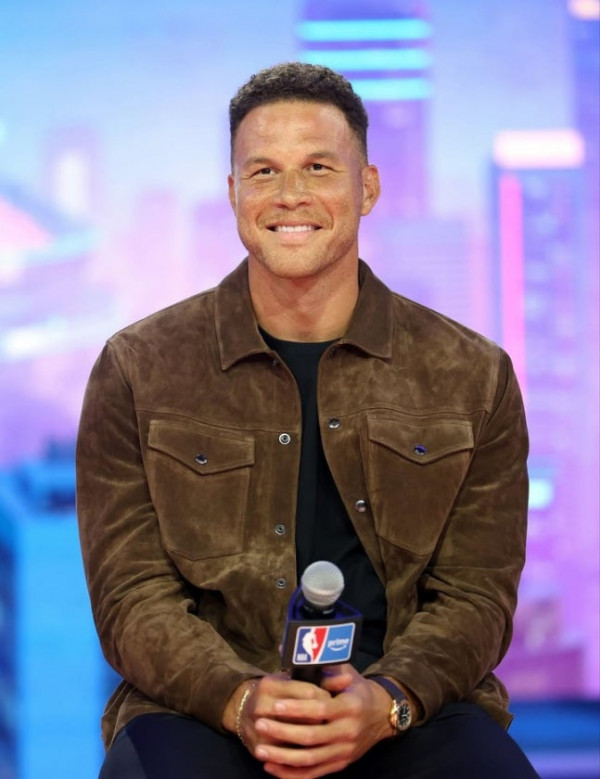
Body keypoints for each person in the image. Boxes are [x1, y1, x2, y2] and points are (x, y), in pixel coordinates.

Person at [76, 62, 539, 778]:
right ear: (234, 194)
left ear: (368, 187)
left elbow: (476, 596)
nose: (290, 194)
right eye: (263, 171)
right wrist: (240, 700)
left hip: (408, 708)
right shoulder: (138, 368)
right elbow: (131, 598)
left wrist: (387, 700)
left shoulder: (473, 374)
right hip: (203, 711)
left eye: (318, 167)